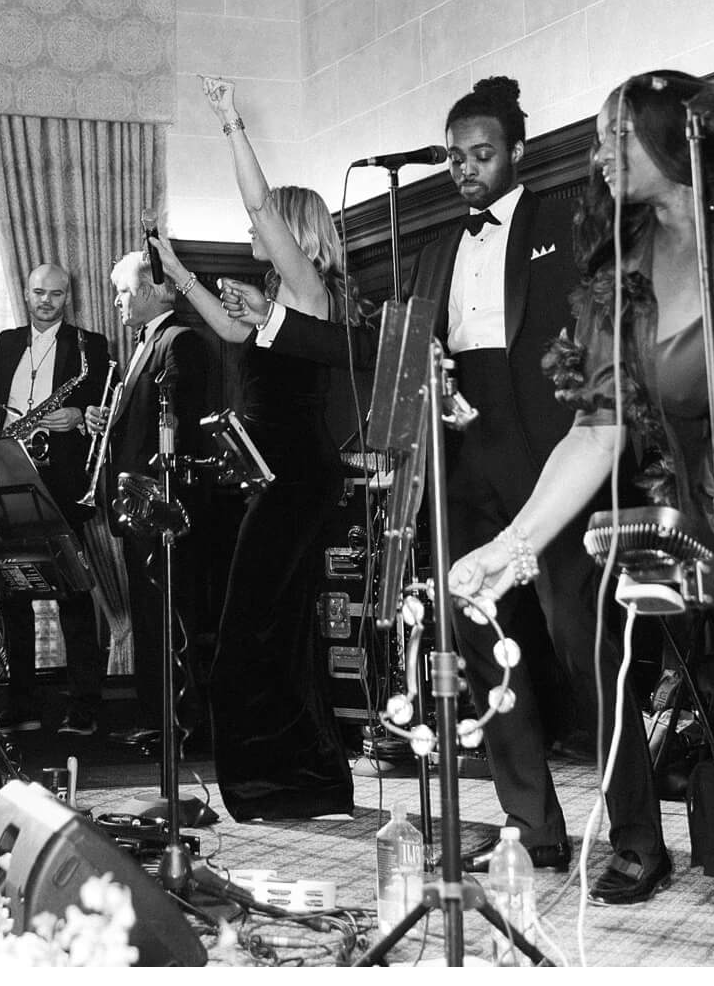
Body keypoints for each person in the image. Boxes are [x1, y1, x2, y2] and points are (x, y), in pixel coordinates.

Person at [240, 75, 664, 883]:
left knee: (586, 644)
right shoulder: (433, 249)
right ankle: (531, 822)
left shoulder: (565, 219)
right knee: (481, 645)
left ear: (516, 151)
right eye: (456, 157)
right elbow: (390, 352)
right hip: (465, 466)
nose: (467, 169)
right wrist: (285, 328)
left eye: (482, 154)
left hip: (555, 462)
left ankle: (639, 836)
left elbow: (602, 337)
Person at [450, 70, 714, 904]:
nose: (600, 154)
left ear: (675, 136)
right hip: (690, 527)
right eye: (598, 135)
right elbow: (596, 429)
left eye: (617, 134)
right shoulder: (620, 268)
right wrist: (508, 546)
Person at [143, 74, 355, 820]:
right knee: (279, 627)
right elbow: (231, 331)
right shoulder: (275, 297)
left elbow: (257, 202)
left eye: (266, 227)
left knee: (248, 628)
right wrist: (179, 276)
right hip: (276, 475)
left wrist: (233, 124)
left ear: (293, 231)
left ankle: (280, 779)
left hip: (297, 474)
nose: (253, 232)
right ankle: (305, 779)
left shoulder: (307, 285)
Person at [0, 262, 113, 734]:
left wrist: (77, 412)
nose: (45, 301)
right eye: (38, 292)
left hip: (60, 481)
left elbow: (103, 405)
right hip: (7, 477)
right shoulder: (9, 341)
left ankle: (84, 707)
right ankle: (22, 705)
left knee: (72, 595)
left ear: (68, 297)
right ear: (26, 294)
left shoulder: (90, 345)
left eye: (55, 294)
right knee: (11, 596)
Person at [82, 250, 210, 752]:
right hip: (137, 507)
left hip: (159, 507)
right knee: (150, 615)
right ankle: (157, 718)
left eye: (124, 291)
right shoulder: (143, 344)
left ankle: (179, 725)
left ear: (155, 290)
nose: (117, 301)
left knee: (168, 618)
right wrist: (107, 421)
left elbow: (176, 423)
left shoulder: (179, 341)